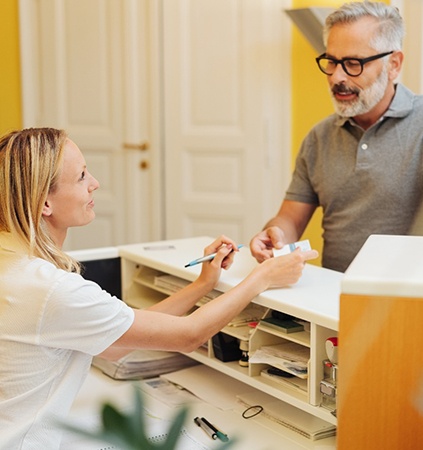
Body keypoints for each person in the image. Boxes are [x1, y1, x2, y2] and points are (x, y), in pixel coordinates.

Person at [0, 128, 318, 449]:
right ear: (45, 204)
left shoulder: (15, 264)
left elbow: (114, 344)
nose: (95, 183)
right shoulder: (52, 290)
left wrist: (203, 284)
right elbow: (188, 335)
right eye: (82, 176)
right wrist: (262, 277)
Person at [250, 1, 423, 273]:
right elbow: (290, 221)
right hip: (331, 296)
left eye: (353, 63)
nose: (336, 77)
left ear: (393, 64)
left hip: (404, 303)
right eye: (331, 62)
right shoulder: (318, 138)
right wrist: (275, 236)